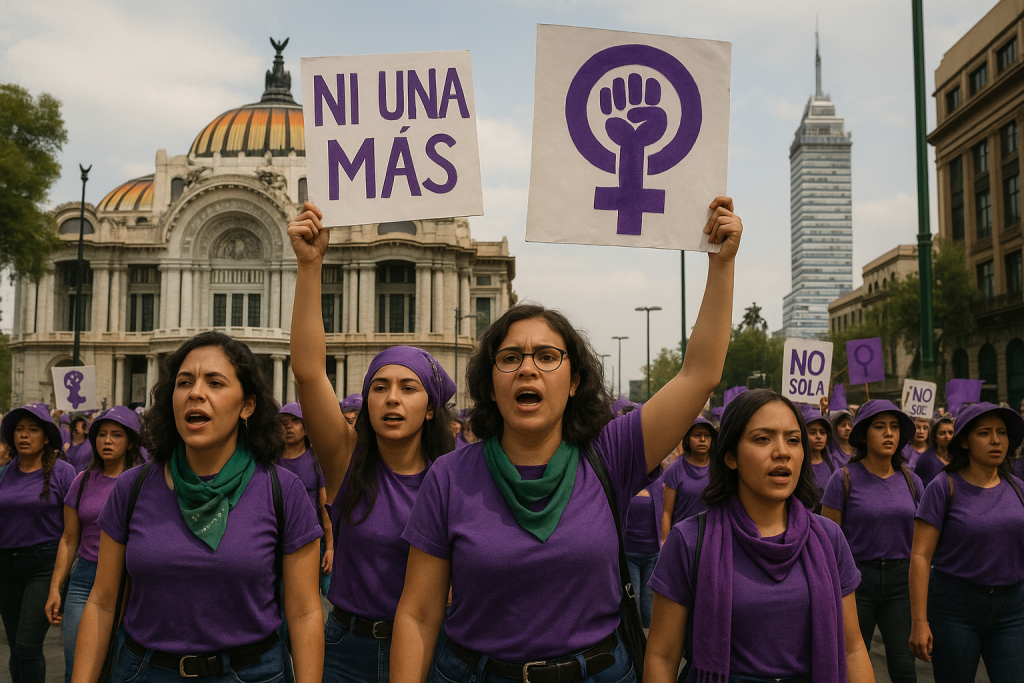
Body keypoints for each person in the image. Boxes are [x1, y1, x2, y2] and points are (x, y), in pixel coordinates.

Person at [394, 196, 742, 683]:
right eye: (510, 358)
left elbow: (698, 375)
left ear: (574, 381)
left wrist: (721, 264)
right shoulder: (449, 477)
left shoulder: (611, 455)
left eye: (547, 356)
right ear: (490, 385)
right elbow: (418, 614)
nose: (528, 368)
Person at [70, 332, 324, 683]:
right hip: (143, 672)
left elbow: (305, 612)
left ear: (247, 405)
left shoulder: (283, 490)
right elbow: (102, 602)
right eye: (184, 382)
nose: (195, 393)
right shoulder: (131, 488)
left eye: (215, 383)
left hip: (251, 674)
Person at [287, 202, 457, 683]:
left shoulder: (459, 477)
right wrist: (310, 265)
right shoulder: (346, 461)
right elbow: (309, 372)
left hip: (437, 647)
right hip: (349, 651)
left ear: (431, 408)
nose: (392, 398)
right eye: (380, 387)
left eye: (408, 388)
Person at [645, 389, 873, 683]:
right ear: (730, 456)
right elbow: (662, 657)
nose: (782, 452)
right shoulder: (689, 540)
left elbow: (853, 650)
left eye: (793, 440)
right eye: (763, 439)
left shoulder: (829, 538)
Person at [909, 402, 1024, 682]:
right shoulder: (942, 487)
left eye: (1002, 432)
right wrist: (919, 622)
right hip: (954, 611)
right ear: (964, 441)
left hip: (1013, 612)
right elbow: (921, 556)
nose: (996, 440)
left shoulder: (1019, 489)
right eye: (984, 433)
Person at [820, 400, 921, 683]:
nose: (889, 433)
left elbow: (923, 542)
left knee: (904, 665)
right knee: (850, 661)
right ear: (863, 435)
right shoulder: (842, 478)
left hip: (901, 584)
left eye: (894, 427)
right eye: (879, 427)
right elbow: (828, 542)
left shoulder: (912, 481)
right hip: (855, 583)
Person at [46, 406, 144, 683]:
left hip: (129, 582)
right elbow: (69, 539)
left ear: (130, 442)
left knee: (119, 666)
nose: (107, 441)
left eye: (116, 435)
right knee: (77, 667)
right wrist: (55, 588)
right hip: (84, 580)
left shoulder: (141, 483)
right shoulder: (82, 480)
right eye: (101, 434)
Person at [0, 404, 76, 683]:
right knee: (15, 649)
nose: (24, 435)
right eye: (19, 429)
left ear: (45, 438)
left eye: (32, 429)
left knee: (27, 646)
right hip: (6, 567)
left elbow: (72, 530)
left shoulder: (64, 473)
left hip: (44, 567)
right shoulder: (4, 473)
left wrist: (61, 580)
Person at [277, 403, 333, 592]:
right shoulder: (270, 461)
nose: (288, 426)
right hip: (277, 540)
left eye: (295, 421)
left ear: (306, 427)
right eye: (283, 422)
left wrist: (330, 547)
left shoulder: (317, 461)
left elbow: (324, 506)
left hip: (311, 541)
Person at [660, 418, 717, 542]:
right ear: (687, 439)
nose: (702, 439)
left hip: (711, 538)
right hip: (683, 538)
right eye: (697, 435)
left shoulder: (718, 468)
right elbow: (666, 512)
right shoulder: (676, 469)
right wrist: (664, 541)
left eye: (707, 435)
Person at [803, 407, 836, 497]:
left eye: (822, 432)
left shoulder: (834, 463)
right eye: (813, 433)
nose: (818, 437)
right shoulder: (798, 465)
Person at [914, 416, 954, 487]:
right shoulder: (926, 459)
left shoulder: (961, 458)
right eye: (942, 433)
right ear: (935, 437)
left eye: (950, 433)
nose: (947, 437)